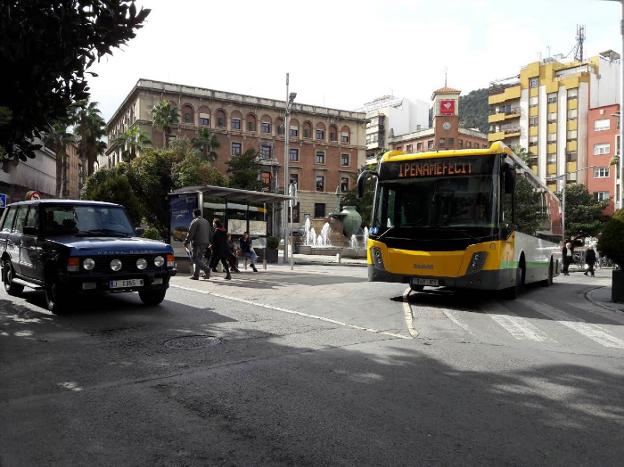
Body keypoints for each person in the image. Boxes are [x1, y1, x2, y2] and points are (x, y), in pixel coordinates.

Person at [183, 209, 212, 280]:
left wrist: (186, 242)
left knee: (194, 258)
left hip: (197, 242)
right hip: (205, 243)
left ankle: (206, 269)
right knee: (199, 259)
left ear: (194, 214)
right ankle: (196, 275)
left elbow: (190, 233)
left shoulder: (195, 221)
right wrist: (210, 242)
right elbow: (210, 233)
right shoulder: (206, 221)